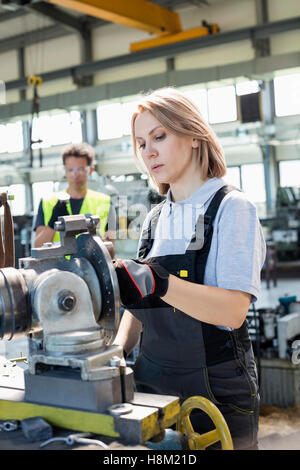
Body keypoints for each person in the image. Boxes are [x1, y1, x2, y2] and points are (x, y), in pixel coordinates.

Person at [113, 87, 266, 450]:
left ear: (194, 136)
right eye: (140, 143)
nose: (148, 151)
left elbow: (232, 311)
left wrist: (161, 283)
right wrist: (115, 355)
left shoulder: (231, 208)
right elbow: (140, 307)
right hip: (152, 383)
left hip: (213, 391)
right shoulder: (154, 219)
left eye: (159, 136)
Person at [33, 142, 115, 256]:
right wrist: (53, 223)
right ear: (65, 170)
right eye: (71, 170)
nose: (75, 175)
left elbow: (111, 252)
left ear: (90, 170)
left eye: (81, 169)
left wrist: (93, 237)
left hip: (91, 270)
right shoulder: (47, 202)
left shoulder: (105, 202)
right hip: (58, 270)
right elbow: (38, 247)